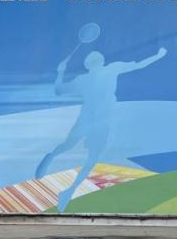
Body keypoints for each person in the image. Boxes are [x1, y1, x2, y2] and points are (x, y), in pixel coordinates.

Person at [36, 45, 166, 213]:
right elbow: (139, 64)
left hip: (95, 121)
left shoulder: (88, 77)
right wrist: (158, 55)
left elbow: (59, 91)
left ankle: (61, 175)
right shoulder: (106, 71)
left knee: (75, 148)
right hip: (95, 121)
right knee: (88, 156)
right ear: (96, 62)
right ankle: (67, 186)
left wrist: (60, 73)